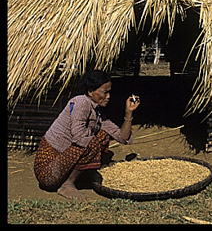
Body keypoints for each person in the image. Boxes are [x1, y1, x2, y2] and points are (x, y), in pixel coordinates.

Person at [34, 69, 140, 200]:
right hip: (48, 171)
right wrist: (95, 146)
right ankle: (67, 185)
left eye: (109, 92)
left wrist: (128, 113)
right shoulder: (80, 103)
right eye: (105, 92)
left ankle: (80, 176)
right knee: (92, 143)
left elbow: (122, 138)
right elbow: (78, 137)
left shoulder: (97, 113)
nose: (108, 97)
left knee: (102, 136)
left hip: (63, 163)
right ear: (90, 92)